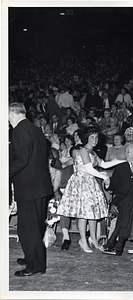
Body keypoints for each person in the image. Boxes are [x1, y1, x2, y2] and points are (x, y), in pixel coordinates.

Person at [57, 127, 125, 253]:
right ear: (87, 138)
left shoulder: (93, 152)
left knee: (93, 213)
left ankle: (93, 238)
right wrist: (104, 176)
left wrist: (122, 160)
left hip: (90, 182)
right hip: (81, 182)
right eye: (92, 137)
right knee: (83, 214)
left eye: (96, 137)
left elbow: (103, 164)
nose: (95, 140)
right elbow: (89, 169)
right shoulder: (83, 150)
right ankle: (83, 240)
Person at [9, 102, 52, 276]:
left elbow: (21, 160)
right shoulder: (35, 130)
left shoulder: (19, 130)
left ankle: (36, 266)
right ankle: (31, 258)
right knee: (31, 226)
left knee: (29, 228)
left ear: (11, 113)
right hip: (39, 187)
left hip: (28, 188)